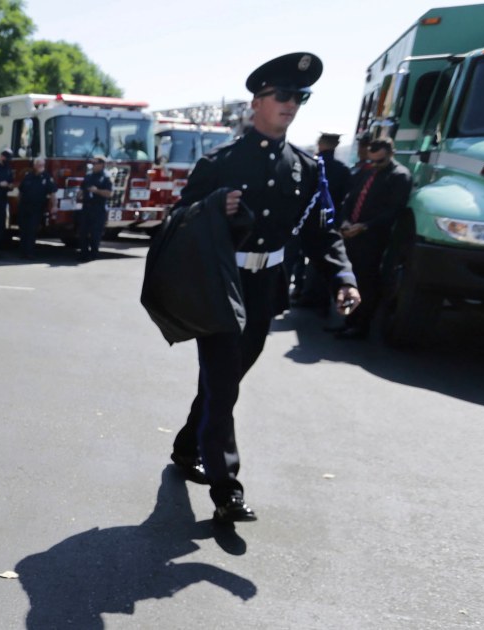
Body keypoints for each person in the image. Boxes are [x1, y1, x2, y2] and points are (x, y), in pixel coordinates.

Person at [167, 52, 361, 523]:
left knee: (224, 381)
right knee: (224, 386)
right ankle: (226, 488)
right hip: (222, 287)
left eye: (301, 97)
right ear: (256, 102)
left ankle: (187, 445)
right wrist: (215, 205)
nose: (292, 104)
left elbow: (322, 232)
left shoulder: (307, 168)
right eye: (283, 95)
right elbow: (176, 223)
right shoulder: (219, 163)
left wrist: (343, 277)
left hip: (266, 290)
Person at [333, 137, 411, 339]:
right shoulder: (366, 171)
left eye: (380, 161)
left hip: (374, 238)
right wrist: (345, 222)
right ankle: (348, 321)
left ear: (391, 154)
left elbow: (393, 210)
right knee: (351, 280)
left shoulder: (399, 176)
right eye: (372, 160)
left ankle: (361, 326)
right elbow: (349, 199)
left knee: (367, 283)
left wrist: (365, 226)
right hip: (351, 234)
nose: (375, 165)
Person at [290, 132, 352, 308]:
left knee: (298, 257)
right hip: (329, 221)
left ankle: (299, 291)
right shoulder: (343, 169)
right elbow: (347, 198)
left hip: (305, 219)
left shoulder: (311, 165)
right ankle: (320, 299)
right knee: (322, 260)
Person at [17, 157, 57, 259]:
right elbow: (20, 192)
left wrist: (54, 206)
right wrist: (19, 205)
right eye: (39, 165)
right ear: (34, 166)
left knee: (32, 230)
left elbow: (53, 193)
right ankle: (22, 252)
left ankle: (29, 253)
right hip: (24, 207)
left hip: (37, 208)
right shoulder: (28, 176)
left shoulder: (47, 177)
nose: (41, 167)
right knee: (23, 230)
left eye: (42, 165)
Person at [77, 156, 112, 261]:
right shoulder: (88, 176)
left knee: (95, 233)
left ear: (102, 165)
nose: (93, 165)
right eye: (93, 163)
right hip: (86, 207)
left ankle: (93, 254)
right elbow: (82, 189)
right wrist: (79, 195)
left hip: (98, 209)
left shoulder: (106, 178)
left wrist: (96, 191)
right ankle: (83, 254)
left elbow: (109, 193)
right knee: (83, 232)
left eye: (96, 163)